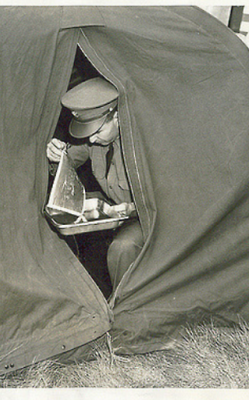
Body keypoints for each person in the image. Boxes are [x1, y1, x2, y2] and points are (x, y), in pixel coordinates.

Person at [46, 77, 144, 288]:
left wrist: (134, 208)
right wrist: (57, 155)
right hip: (118, 218)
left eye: (97, 131)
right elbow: (69, 160)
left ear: (117, 117)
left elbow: (167, 199)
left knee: (122, 248)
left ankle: (126, 308)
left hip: (149, 219)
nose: (91, 140)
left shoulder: (142, 143)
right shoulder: (97, 141)